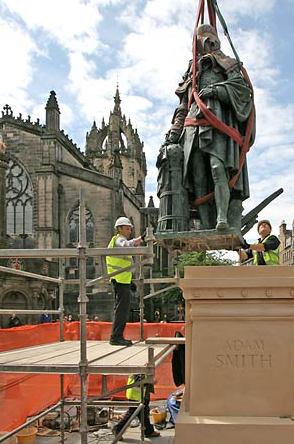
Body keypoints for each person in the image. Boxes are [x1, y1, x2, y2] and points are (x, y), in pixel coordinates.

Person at [161, 24, 254, 231]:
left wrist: (216, 91)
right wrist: (174, 132)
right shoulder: (192, 72)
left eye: (207, 40)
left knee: (217, 168)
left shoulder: (227, 64)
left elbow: (241, 90)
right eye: (200, 41)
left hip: (217, 124)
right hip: (193, 129)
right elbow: (183, 107)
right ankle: (206, 223)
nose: (204, 45)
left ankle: (222, 217)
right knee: (198, 176)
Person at [107, 216, 143, 346]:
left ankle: (117, 336)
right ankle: (116, 337)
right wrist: (140, 239)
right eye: (127, 228)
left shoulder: (119, 239)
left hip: (123, 280)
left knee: (122, 309)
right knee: (121, 310)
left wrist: (131, 282)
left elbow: (124, 266)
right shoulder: (118, 240)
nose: (129, 231)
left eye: (130, 229)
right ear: (119, 229)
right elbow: (127, 246)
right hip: (119, 280)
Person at [112, 374, 161, 439]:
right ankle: (118, 428)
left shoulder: (143, 367)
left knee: (143, 412)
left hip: (141, 394)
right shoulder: (140, 368)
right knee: (132, 413)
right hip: (136, 395)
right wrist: (150, 381)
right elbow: (138, 382)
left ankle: (149, 431)